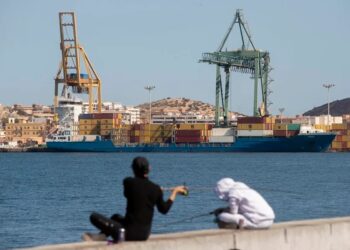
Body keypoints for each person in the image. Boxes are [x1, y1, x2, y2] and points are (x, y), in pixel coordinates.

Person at [84, 156, 187, 242]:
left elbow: (127, 194)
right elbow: (164, 210)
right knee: (115, 217)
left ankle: (110, 236)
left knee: (93, 216)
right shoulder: (155, 189)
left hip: (128, 234)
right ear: (149, 169)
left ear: (133, 169)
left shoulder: (128, 182)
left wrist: (156, 191)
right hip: (144, 235)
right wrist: (175, 192)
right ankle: (101, 237)